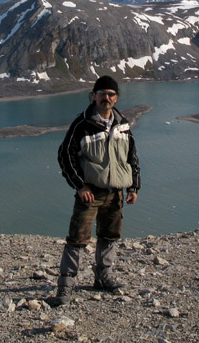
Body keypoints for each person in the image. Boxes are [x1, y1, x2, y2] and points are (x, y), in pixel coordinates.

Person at [48, 75, 141, 307]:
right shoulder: (82, 124)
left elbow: (132, 158)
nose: (106, 98)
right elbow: (65, 156)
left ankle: (103, 276)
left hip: (115, 193)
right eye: (102, 94)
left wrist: (133, 186)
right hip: (90, 194)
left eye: (111, 94)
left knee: (109, 236)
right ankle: (66, 285)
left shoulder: (123, 125)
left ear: (116, 98)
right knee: (78, 238)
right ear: (94, 96)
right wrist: (80, 185)